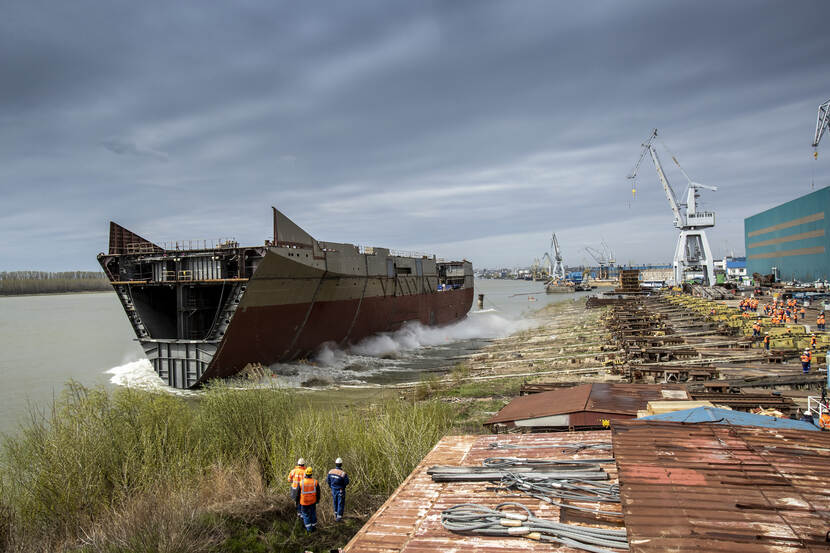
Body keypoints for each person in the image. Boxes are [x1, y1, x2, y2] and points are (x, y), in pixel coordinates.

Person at [327, 457, 350, 522]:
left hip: (333, 489)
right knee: (340, 503)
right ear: (341, 464)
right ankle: (339, 517)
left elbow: (328, 481)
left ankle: (336, 514)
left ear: (335, 463)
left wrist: (331, 486)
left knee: (335, 502)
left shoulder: (331, 471)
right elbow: (346, 482)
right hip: (340, 490)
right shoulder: (343, 473)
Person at [299, 467, 320, 533]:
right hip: (312, 501)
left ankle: (309, 529)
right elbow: (318, 493)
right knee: (313, 513)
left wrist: (297, 500)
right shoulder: (315, 482)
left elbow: (297, 493)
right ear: (311, 474)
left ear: (305, 474)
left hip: (304, 502)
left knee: (305, 514)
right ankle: (314, 527)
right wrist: (317, 500)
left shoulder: (301, 482)